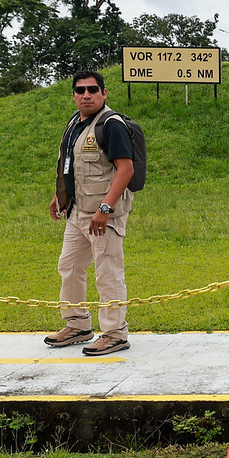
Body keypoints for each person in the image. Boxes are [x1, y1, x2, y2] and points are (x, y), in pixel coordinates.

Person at [44, 70, 138, 356]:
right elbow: (73, 166)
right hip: (77, 212)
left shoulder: (111, 125)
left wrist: (105, 209)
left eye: (93, 89)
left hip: (103, 215)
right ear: (73, 95)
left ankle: (115, 333)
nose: (87, 95)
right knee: (69, 266)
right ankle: (78, 325)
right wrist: (60, 196)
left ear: (104, 93)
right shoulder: (75, 123)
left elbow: (126, 170)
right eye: (80, 90)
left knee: (107, 273)